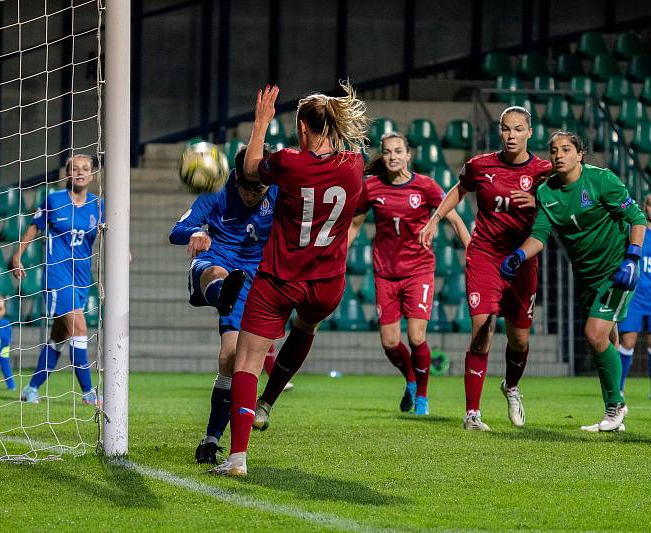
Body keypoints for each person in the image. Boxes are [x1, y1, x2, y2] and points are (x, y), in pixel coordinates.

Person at [211, 81, 368, 477]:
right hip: (327, 282)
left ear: (302, 128)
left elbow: (249, 169)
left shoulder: (288, 163)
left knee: (246, 360)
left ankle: (238, 458)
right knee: (307, 325)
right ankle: (267, 403)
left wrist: (261, 121)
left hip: (280, 277)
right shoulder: (354, 166)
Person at [500, 131, 645, 432]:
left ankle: (614, 408)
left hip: (616, 271)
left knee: (594, 334)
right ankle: (618, 408)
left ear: (580, 155)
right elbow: (539, 236)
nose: (558, 155)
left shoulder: (602, 180)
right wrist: (518, 256)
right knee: (608, 340)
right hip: (586, 276)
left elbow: (637, 218)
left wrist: (632, 258)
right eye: (553, 150)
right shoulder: (546, 192)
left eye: (566, 149)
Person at [419, 106, 552, 431]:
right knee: (483, 330)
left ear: (529, 132)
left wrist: (539, 202)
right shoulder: (480, 165)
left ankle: (511, 386)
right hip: (485, 257)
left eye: (518, 129)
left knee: (519, 339)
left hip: (522, 260)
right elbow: (459, 191)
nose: (511, 135)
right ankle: (472, 414)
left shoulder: (543, 171)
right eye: (506, 129)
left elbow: (563, 201)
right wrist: (435, 219)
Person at [344, 132, 470, 416]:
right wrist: (337, 257)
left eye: (398, 151)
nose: (392, 156)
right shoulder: (372, 187)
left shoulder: (425, 186)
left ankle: (423, 396)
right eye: (387, 152)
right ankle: (411, 380)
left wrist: (470, 249)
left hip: (418, 271)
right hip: (385, 273)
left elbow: (453, 218)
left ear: (408, 155)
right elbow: (354, 227)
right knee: (390, 343)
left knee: (415, 337)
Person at [169, 146, 278, 465]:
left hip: (253, 276)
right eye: (246, 186)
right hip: (215, 260)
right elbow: (176, 232)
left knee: (229, 359)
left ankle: (210, 440)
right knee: (217, 274)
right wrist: (197, 233)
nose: (251, 194)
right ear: (234, 177)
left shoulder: (279, 194)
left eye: (259, 188)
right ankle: (222, 295)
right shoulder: (215, 192)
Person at [12, 154, 102, 405]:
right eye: (75, 169)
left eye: (85, 169)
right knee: (80, 328)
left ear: (92, 175)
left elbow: (111, 231)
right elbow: (34, 226)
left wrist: (123, 250)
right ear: (67, 173)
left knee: (59, 337)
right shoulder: (53, 200)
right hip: (56, 275)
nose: (80, 172)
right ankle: (88, 393)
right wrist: (17, 255)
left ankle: (31, 388)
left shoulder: (98, 205)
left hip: (82, 277)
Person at [617, 193, 651, 401]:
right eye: (649, 205)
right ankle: (618, 388)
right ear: (645, 207)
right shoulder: (637, 232)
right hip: (636, 297)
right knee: (627, 342)